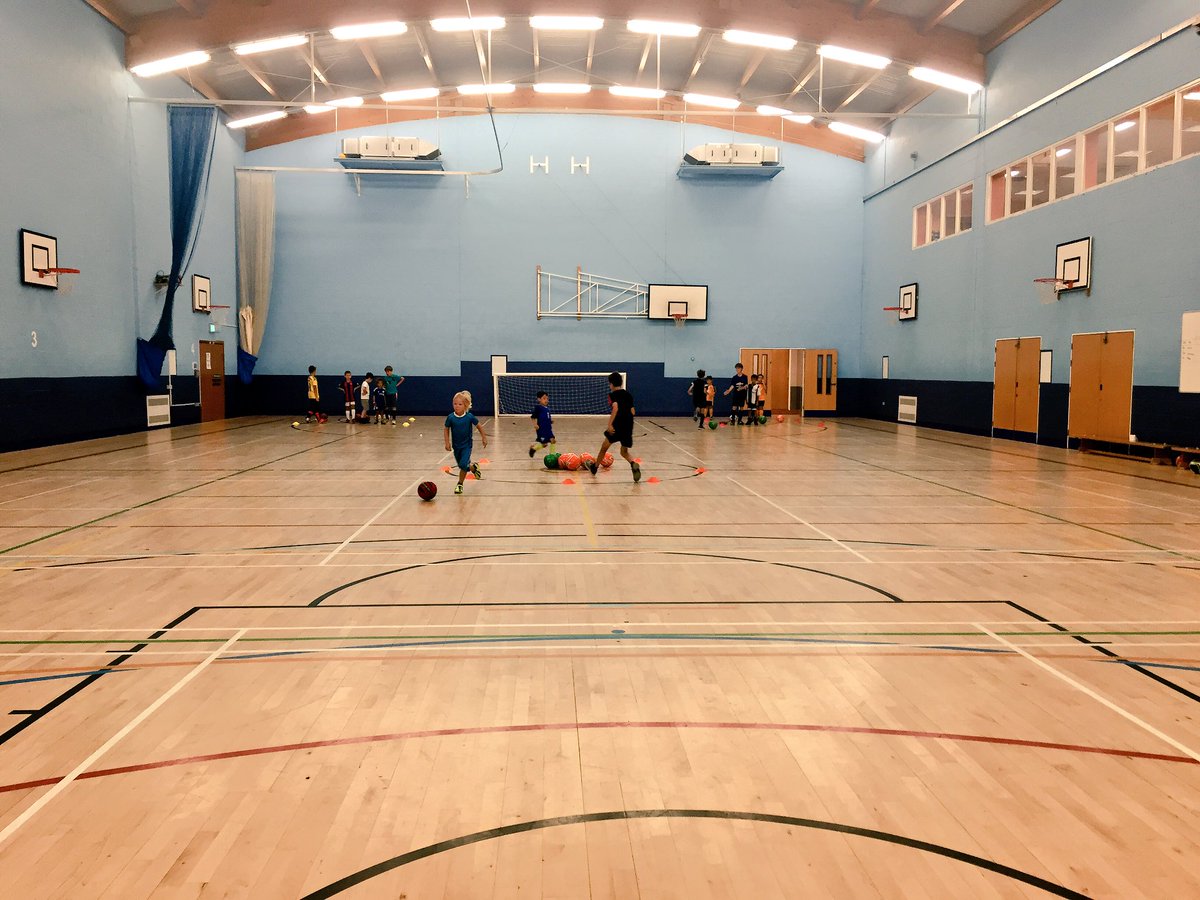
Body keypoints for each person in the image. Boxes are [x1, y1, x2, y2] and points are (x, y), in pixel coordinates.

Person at [584, 372, 640, 482]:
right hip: (628, 426)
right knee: (624, 452)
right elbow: (633, 411)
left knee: (604, 447)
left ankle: (594, 467)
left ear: (611, 384)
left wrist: (609, 425)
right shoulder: (628, 395)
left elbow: (615, 407)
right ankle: (633, 463)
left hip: (616, 426)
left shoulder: (612, 395)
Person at [444, 390, 487, 494]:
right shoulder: (450, 417)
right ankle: (474, 468)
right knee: (462, 465)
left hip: (467, 446)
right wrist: (447, 442)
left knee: (463, 465)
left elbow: (479, 426)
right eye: (455, 404)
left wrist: (484, 437)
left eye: (460, 404)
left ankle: (460, 484)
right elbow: (446, 429)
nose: (457, 406)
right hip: (456, 446)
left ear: (465, 405)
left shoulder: (469, 417)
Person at [529, 390, 555, 457]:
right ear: (539, 399)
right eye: (544, 398)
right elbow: (533, 417)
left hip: (548, 429)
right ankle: (533, 449)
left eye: (547, 398)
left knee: (553, 440)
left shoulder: (547, 409)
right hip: (542, 430)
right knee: (544, 444)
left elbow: (546, 417)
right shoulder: (538, 408)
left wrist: (550, 421)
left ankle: (552, 456)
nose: (546, 400)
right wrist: (535, 424)